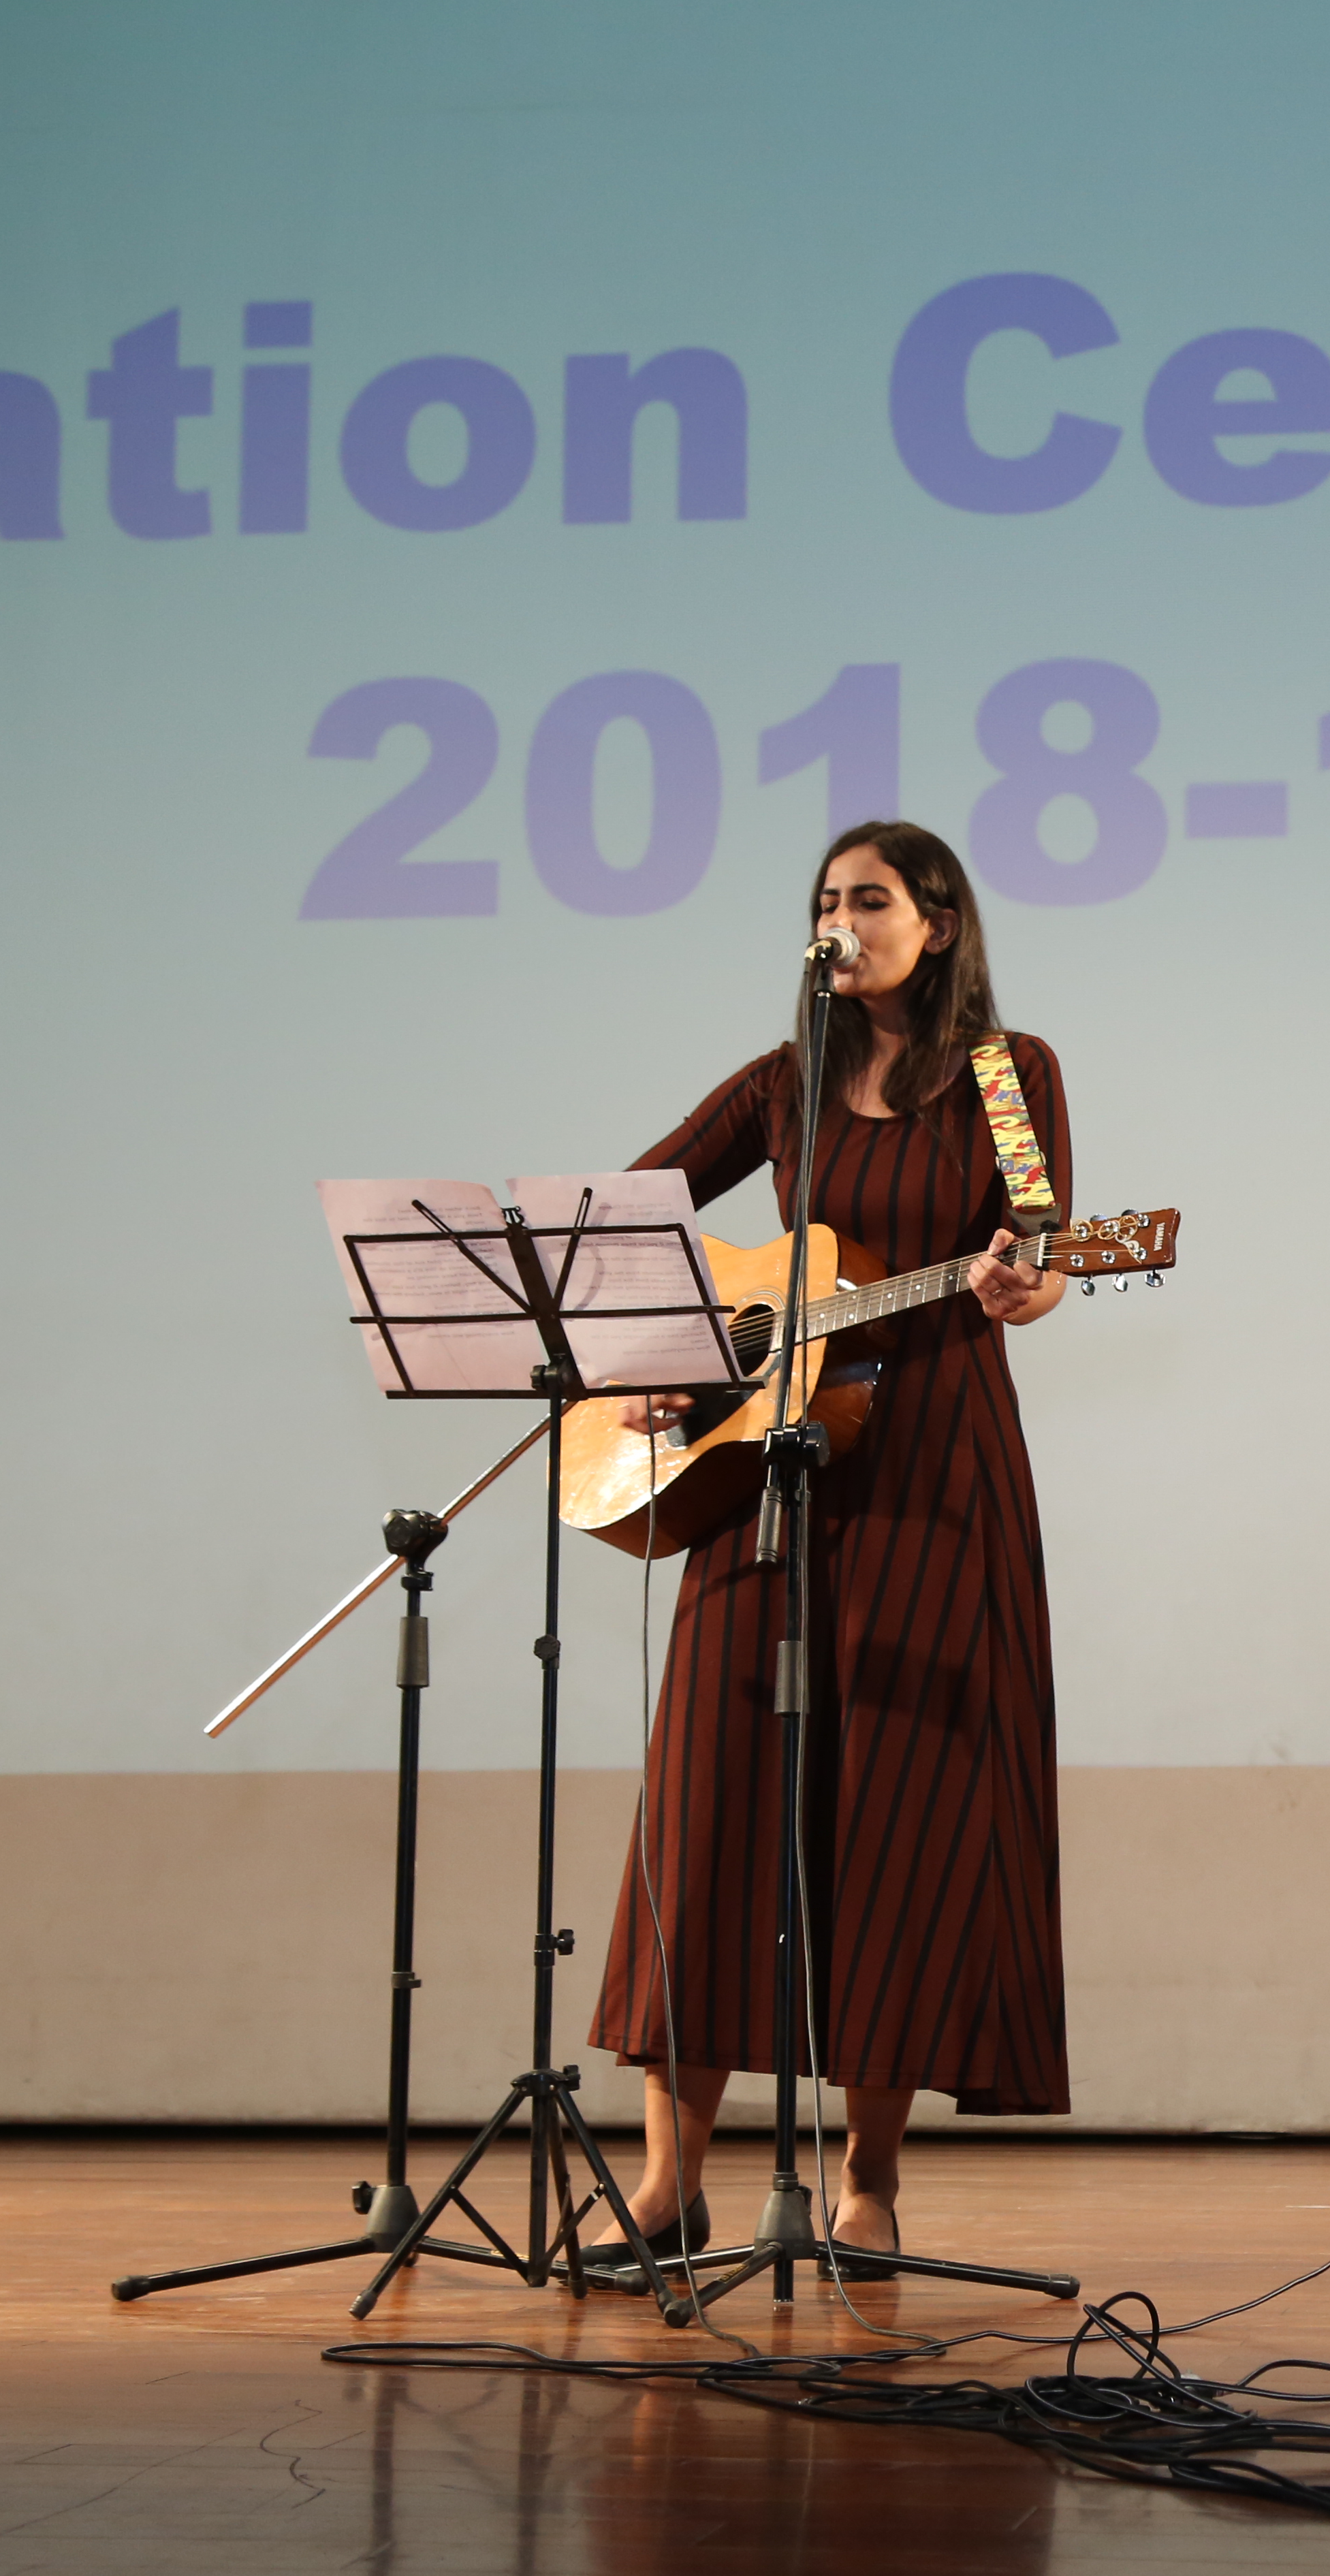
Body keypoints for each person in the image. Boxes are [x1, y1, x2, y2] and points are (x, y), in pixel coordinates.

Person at [575, 821, 1073, 2279]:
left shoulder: (1009, 1074)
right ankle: (667, 2186)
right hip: (770, 1478)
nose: (841, 921)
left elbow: (1040, 1248)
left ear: (938, 924)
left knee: (904, 1823)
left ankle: (868, 2183)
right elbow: (622, 1222)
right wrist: (667, 1357)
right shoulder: (781, 1080)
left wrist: (1026, 1284)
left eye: (871, 899)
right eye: (827, 901)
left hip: (937, 1472)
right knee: (708, 1809)